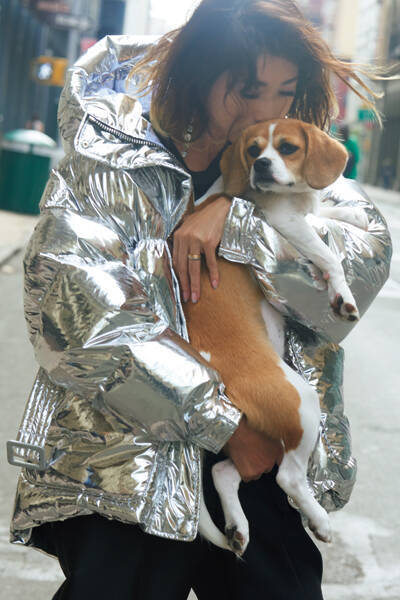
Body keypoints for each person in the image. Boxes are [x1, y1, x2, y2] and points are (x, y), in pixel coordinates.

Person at [7, 1, 392, 598]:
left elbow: (361, 269)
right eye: (248, 90)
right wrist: (222, 424)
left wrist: (236, 219)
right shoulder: (112, 156)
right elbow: (77, 320)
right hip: (129, 460)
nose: (265, 110)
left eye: (285, 91)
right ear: (197, 72)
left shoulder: (286, 153)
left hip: (259, 454)